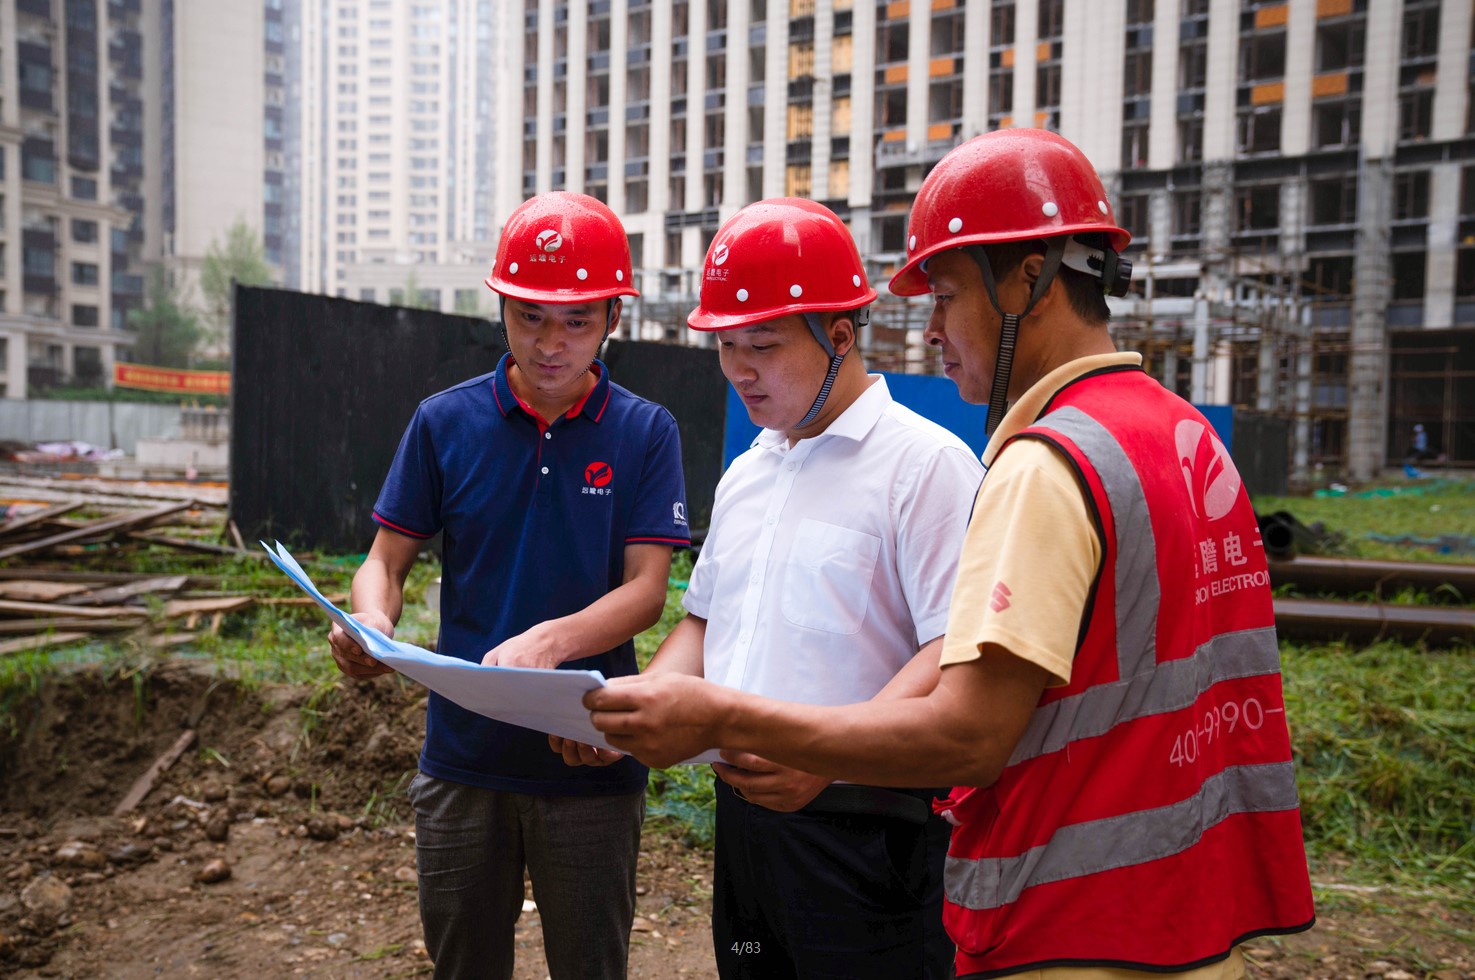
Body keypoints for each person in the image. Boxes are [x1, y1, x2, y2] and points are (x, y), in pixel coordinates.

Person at [583, 131, 1316, 979]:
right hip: (1176, 904)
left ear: (1029, 278)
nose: (931, 329)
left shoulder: (1036, 465)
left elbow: (967, 734)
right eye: (728, 346)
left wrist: (735, 723)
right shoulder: (1185, 438)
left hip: (1058, 913)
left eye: (945, 294)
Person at [557, 198, 981, 978]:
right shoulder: (752, 470)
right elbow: (702, 623)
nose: (739, 369)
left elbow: (953, 644)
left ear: (840, 336)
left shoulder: (925, 467)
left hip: (867, 834)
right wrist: (635, 709)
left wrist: (825, 754)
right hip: (746, 829)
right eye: (726, 346)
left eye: (763, 344)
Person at [328, 191, 690, 980]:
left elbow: (647, 590)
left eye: (576, 322)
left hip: (591, 752)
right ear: (501, 309)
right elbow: (385, 560)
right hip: (463, 757)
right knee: (462, 964)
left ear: (611, 322)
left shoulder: (643, 431)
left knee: (590, 966)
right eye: (530, 317)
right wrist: (368, 621)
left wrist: (546, 643)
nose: (550, 343)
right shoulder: (445, 423)